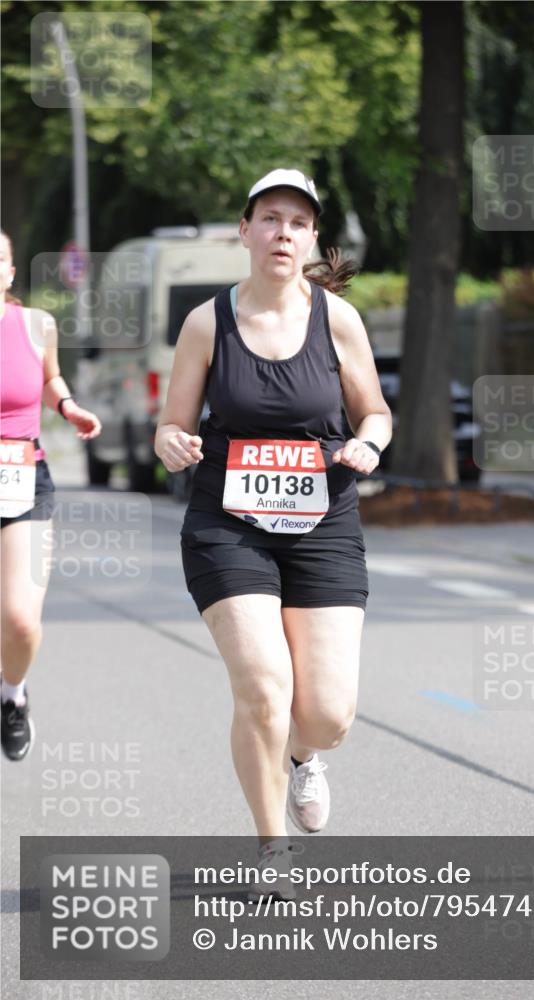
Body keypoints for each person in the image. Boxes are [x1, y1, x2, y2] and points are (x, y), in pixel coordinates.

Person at [155, 169, 392, 896]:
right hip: (228, 526)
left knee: (323, 716)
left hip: (324, 522)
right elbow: (172, 421)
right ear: (246, 230)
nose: (283, 232)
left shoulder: (337, 320)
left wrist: (368, 447)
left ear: (311, 236)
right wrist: (171, 443)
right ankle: (270, 847)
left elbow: (374, 412)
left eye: (297, 221)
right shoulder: (207, 323)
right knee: (262, 686)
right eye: (270, 218)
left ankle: (302, 756)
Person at [0, 230, 102, 761]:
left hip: (22, 479)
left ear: (11, 271)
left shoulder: (37, 325)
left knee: (20, 618)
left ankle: (12, 695)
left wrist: (69, 408)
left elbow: (51, 378)